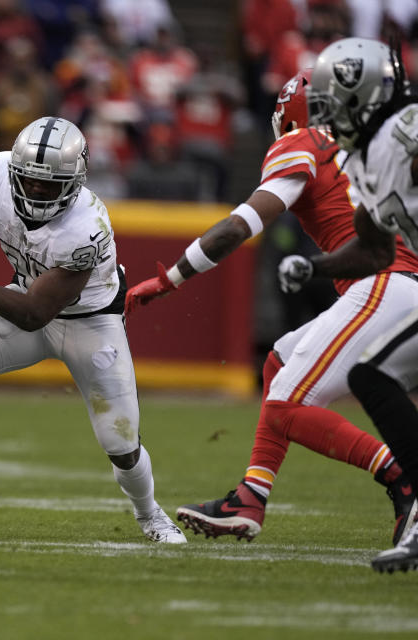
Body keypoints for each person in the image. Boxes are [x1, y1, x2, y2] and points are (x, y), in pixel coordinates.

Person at [126, 68, 418, 545]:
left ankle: (401, 473)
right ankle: (251, 496)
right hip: (401, 289)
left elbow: (238, 228)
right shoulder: (372, 150)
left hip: (382, 289)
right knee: (279, 360)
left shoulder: (302, 142)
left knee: (285, 405)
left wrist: (169, 279)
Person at [0, 116, 187, 544]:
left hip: (89, 322)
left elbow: (33, 314)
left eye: (50, 184)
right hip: (25, 294)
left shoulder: (86, 228)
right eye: (31, 181)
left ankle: (150, 514)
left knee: (121, 442)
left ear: (76, 180)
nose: (38, 190)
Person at [281, 37, 418, 572]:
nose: (323, 113)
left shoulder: (404, 131)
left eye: (332, 99)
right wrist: (313, 267)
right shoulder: (362, 156)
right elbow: (376, 247)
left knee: (375, 374)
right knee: (373, 375)